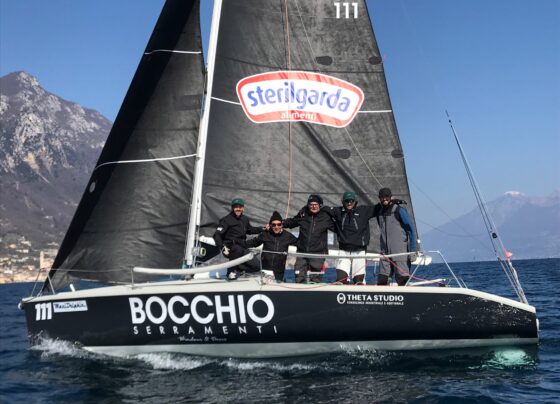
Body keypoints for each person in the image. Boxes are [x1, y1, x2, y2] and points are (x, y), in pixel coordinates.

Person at [325, 191, 378, 284]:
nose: (349, 203)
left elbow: (379, 208)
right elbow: (323, 209)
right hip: (344, 251)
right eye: (347, 201)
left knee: (358, 281)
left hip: (359, 251)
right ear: (343, 202)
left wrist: (390, 201)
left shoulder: (363, 211)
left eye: (351, 201)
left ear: (355, 202)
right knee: (341, 279)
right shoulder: (338, 211)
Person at [283, 194, 335, 283]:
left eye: (315, 204)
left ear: (320, 205)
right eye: (311, 204)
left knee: (315, 280)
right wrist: (280, 223)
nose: (313, 206)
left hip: (318, 254)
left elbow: (339, 229)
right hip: (302, 252)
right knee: (299, 277)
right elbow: (292, 222)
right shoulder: (303, 214)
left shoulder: (326, 217)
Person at [375, 187, 417, 286]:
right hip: (385, 254)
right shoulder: (379, 212)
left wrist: (413, 251)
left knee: (402, 280)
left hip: (400, 253)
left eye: (387, 196)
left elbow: (411, 231)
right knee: (382, 280)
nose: (384, 199)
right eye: (382, 197)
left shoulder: (399, 210)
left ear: (391, 197)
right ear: (379, 198)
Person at [213, 198, 263, 280]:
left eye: (240, 207)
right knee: (237, 249)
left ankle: (239, 269)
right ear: (232, 208)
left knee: (257, 266)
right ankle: (231, 272)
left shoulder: (245, 219)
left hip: (243, 246)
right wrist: (222, 247)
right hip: (230, 247)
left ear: (243, 208)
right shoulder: (226, 220)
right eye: (236, 207)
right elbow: (217, 235)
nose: (238, 209)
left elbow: (250, 230)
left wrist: (262, 229)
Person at [241, 211, 298, 282]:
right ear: (270, 225)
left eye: (279, 224)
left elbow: (299, 244)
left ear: (282, 225)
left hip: (279, 270)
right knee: (265, 284)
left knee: (277, 286)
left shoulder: (288, 236)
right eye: (274, 225)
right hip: (266, 269)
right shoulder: (265, 234)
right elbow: (253, 242)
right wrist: (237, 245)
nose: (276, 227)